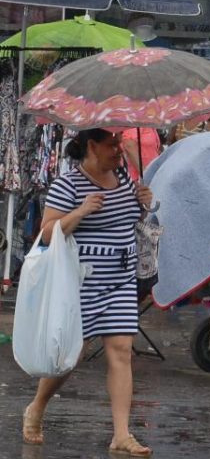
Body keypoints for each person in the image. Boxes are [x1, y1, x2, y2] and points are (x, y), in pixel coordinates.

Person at [22, 129, 154, 456]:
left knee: (122, 349)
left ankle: (121, 434)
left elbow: (127, 221)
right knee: (71, 354)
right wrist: (80, 212)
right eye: (112, 145)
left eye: (120, 144)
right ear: (92, 146)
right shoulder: (68, 183)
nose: (119, 150)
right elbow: (49, 232)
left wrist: (143, 203)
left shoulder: (123, 177)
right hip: (81, 280)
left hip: (122, 277)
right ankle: (37, 406)